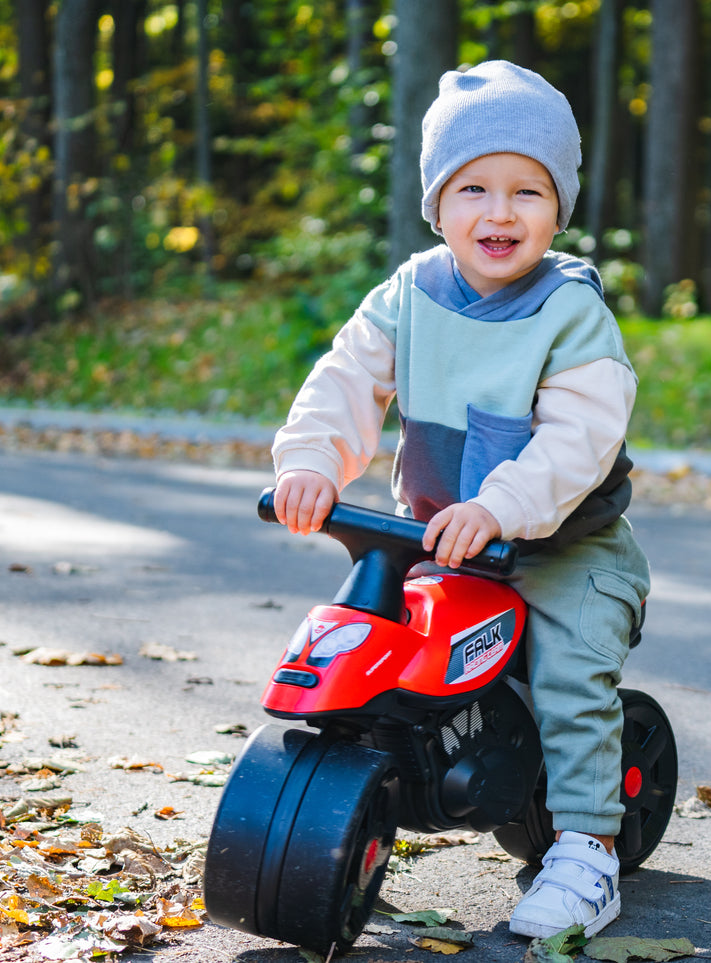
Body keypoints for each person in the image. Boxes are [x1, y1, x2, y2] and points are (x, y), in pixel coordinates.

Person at [269, 60, 649, 940]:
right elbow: (346, 379)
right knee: (372, 640)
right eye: (472, 187)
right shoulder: (408, 294)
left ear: (559, 209)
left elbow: (577, 439)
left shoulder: (571, 310)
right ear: (436, 203)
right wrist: (314, 461)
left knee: (571, 674)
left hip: (564, 548)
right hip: (434, 541)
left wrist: (504, 504)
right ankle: (356, 785)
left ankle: (589, 850)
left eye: (528, 191)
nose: (499, 212)